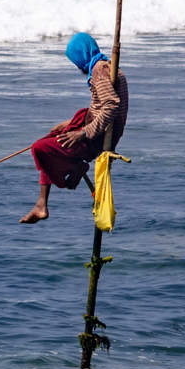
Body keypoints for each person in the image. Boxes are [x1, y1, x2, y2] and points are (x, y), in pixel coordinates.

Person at [22, 32, 128, 225]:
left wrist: (83, 133)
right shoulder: (107, 67)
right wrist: (69, 123)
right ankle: (41, 204)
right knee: (52, 138)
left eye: (76, 61)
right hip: (95, 127)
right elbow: (102, 104)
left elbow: (111, 105)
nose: (78, 66)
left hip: (95, 137)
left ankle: (76, 168)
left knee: (39, 148)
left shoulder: (99, 70)